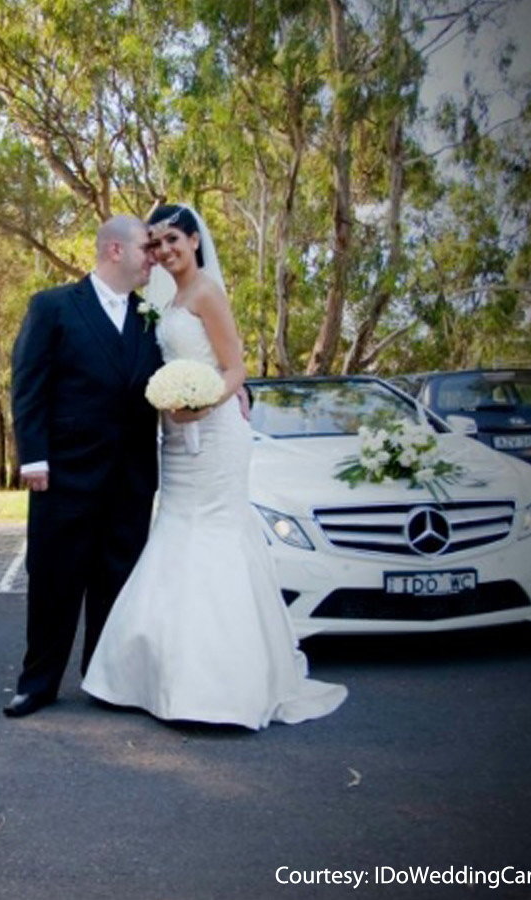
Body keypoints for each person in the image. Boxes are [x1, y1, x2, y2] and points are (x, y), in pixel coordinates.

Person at [80, 204, 346, 729]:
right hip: (176, 440)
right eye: (155, 243)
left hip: (216, 434)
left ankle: (223, 685)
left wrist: (211, 400)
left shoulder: (206, 293)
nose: (164, 250)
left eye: (173, 239)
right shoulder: (163, 300)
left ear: (195, 240)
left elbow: (235, 365)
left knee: (214, 537)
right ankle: (157, 678)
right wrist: (178, 406)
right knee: (176, 533)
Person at [4, 215, 164, 718]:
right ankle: (38, 683)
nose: (153, 257)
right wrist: (32, 457)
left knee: (116, 579)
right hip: (64, 474)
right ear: (114, 250)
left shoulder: (150, 315)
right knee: (54, 578)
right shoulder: (53, 306)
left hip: (131, 475)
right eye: (146, 247)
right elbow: (28, 385)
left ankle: (104, 678)